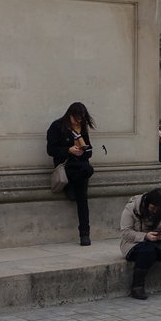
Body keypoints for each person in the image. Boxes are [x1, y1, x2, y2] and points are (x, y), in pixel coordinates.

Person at [120, 187, 161, 299]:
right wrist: (145, 236)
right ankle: (137, 286)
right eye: (153, 207)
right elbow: (125, 232)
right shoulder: (132, 207)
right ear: (147, 203)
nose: (155, 211)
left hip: (158, 242)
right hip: (134, 243)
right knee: (148, 252)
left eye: (158, 209)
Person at [46, 101, 96, 246]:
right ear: (70, 115)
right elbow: (51, 150)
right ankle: (69, 187)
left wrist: (83, 150)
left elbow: (89, 152)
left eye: (81, 119)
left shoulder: (82, 128)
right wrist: (69, 149)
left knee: (83, 199)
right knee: (86, 173)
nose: (78, 122)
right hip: (66, 165)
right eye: (76, 119)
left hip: (81, 167)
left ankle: (84, 234)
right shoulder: (57, 126)